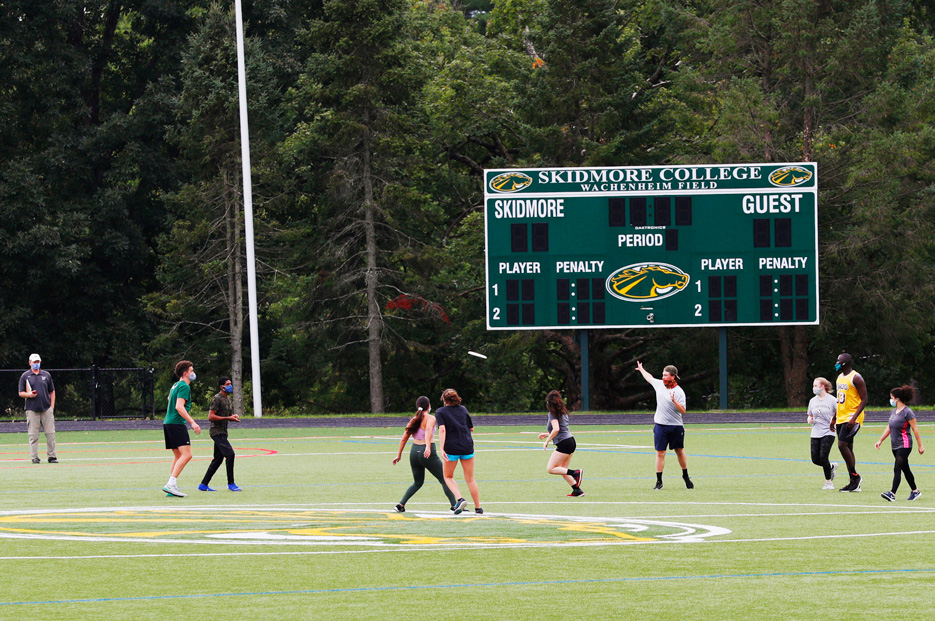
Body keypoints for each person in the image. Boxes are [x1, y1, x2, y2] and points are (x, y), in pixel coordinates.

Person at [391, 396, 457, 512]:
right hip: (426, 452)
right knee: (445, 478)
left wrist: (399, 455)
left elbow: (404, 439)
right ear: (428, 406)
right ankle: (454, 506)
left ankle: (400, 505)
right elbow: (428, 431)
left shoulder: (414, 420)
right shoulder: (431, 418)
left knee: (417, 483)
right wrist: (427, 447)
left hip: (413, 453)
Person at [636, 361, 692, 490]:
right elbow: (649, 377)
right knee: (660, 452)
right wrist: (641, 369)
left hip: (676, 426)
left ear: (673, 376)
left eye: (666, 375)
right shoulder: (660, 385)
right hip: (661, 425)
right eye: (663, 374)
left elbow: (683, 411)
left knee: (679, 451)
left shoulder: (679, 391)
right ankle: (659, 481)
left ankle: (685, 476)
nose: (663, 377)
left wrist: (674, 401)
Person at [436, 388, 483, 515]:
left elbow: (442, 430)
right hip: (467, 445)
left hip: (451, 447)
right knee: (470, 479)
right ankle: (478, 508)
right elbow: (471, 428)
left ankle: (460, 498)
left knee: (448, 476)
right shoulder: (463, 409)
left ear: (444, 400)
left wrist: (441, 448)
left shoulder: (440, 412)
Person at [875, 385, 924, 502]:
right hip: (895, 445)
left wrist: (920, 445)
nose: (890, 400)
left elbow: (915, 429)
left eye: (891, 397)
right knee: (905, 469)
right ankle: (915, 491)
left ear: (896, 398)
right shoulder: (894, 411)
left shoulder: (908, 412)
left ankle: (892, 493)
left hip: (905, 445)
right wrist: (880, 440)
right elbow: (889, 427)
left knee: (897, 468)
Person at [162, 360, 202, 497]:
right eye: (191, 371)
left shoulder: (175, 385)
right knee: (187, 455)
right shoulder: (184, 386)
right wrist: (193, 422)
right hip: (176, 423)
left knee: (178, 456)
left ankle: (172, 488)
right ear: (185, 373)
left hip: (168, 423)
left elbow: (169, 398)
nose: (193, 373)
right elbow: (179, 407)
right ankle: (170, 484)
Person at [198, 377, 242, 492]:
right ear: (221, 386)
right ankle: (231, 483)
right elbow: (211, 416)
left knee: (218, 459)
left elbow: (228, 414)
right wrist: (228, 418)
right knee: (230, 454)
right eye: (227, 384)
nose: (230, 386)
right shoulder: (217, 399)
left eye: (230, 383)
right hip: (216, 432)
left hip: (223, 432)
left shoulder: (228, 399)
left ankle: (203, 484)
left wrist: (233, 416)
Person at [537, 390, 583, 497]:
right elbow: (561, 429)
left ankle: (575, 473)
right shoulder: (563, 412)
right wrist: (546, 434)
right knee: (562, 469)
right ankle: (577, 490)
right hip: (570, 441)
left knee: (551, 469)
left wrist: (547, 441)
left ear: (549, 403)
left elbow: (556, 429)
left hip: (564, 443)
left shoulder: (552, 414)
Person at [835, 353, 868, 492]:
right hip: (841, 417)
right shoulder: (839, 378)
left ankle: (855, 476)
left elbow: (864, 399)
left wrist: (854, 418)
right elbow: (839, 399)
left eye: (839, 361)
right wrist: (833, 418)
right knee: (849, 448)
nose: (836, 363)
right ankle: (853, 482)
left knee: (842, 445)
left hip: (852, 418)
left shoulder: (856, 377)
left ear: (845, 363)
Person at [17, 353, 57, 464]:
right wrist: (29, 395)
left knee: (50, 434)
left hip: (46, 409)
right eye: (34, 362)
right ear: (30, 363)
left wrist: (51, 407)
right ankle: (34, 457)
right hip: (32, 409)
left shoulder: (46, 375)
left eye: (38, 362)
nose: (36, 364)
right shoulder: (25, 376)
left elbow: (52, 391)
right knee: (33, 435)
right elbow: (20, 392)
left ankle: (52, 456)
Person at [807, 377, 838, 489]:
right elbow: (810, 415)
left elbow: (840, 414)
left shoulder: (832, 400)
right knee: (815, 459)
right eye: (813, 386)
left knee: (823, 456)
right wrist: (809, 420)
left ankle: (828, 482)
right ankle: (831, 467)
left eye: (816, 385)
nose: (814, 388)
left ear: (823, 386)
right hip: (815, 432)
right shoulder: (812, 401)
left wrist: (834, 421)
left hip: (828, 431)